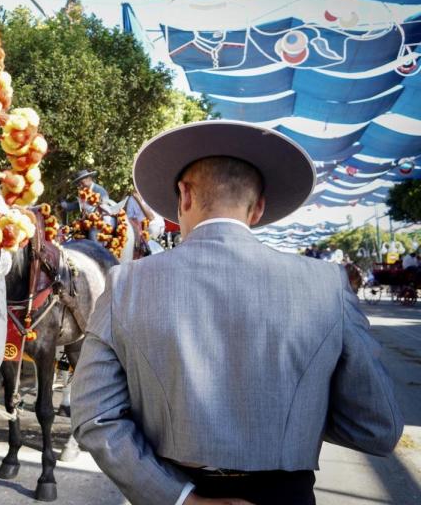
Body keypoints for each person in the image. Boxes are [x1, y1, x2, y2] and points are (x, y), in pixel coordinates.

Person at [71, 121, 403, 505]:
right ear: (258, 208)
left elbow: (94, 417)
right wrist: (294, 408)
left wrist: (182, 499)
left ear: (184, 195)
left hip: (172, 488)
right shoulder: (328, 284)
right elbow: (378, 427)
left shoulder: (126, 283)